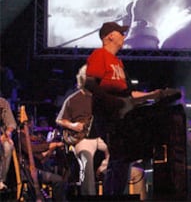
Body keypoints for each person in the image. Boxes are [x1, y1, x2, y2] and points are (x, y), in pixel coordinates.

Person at [84, 21, 159, 195]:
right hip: (107, 116)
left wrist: (153, 95)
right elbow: (90, 84)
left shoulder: (118, 62)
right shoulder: (99, 55)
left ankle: (116, 194)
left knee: (123, 158)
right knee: (119, 157)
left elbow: (128, 93)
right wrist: (113, 102)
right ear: (110, 36)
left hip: (120, 117)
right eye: (121, 33)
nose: (124, 37)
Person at [56, 65, 110, 196]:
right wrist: (73, 125)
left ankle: (104, 169)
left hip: (100, 136)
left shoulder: (102, 98)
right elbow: (59, 120)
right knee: (86, 159)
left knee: (119, 150)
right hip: (83, 138)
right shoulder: (72, 99)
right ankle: (89, 195)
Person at [19, 117, 66, 201]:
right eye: (32, 123)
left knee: (59, 178)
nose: (33, 126)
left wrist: (51, 148)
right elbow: (33, 149)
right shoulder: (21, 137)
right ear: (28, 124)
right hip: (30, 172)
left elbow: (40, 157)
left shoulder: (27, 137)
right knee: (58, 180)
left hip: (35, 169)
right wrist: (50, 145)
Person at [0, 97, 17, 191]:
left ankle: (1, 180)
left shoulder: (2, 103)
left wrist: (7, 133)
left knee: (8, 146)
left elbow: (11, 124)